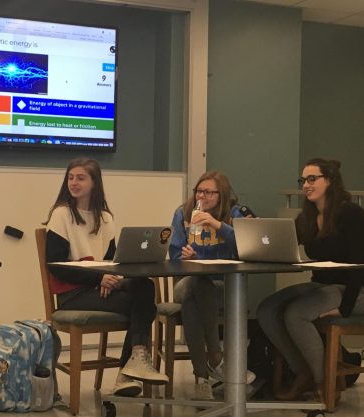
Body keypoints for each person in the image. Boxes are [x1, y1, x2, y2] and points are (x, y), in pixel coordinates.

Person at [45, 157, 168, 397]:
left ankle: (132, 365)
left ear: (94, 183)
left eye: (80, 178)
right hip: (73, 293)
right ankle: (128, 371)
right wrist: (98, 279)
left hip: (100, 285)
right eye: (70, 177)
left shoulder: (105, 217)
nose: (74, 182)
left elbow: (114, 261)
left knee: (144, 286)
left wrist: (111, 278)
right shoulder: (60, 215)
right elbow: (56, 266)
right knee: (144, 307)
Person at [257, 158, 364, 401]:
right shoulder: (307, 217)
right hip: (321, 286)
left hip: (353, 289)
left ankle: (323, 383)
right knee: (267, 309)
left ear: (330, 181)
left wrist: (344, 308)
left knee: (296, 313)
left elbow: (360, 265)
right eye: (303, 180)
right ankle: (302, 370)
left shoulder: (352, 214)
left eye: (312, 179)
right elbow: (283, 244)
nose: (306, 184)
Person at [169, 170, 256, 400]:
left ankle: (201, 377)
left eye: (209, 192)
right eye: (199, 191)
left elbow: (247, 246)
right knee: (196, 284)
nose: (203, 196)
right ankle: (216, 357)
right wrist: (183, 255)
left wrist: (218, 225)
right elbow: (173, 251)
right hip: (186, 281)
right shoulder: (183, 214)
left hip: (224, 287)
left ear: (222, 195)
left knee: (194, 299)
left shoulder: (234, 214)